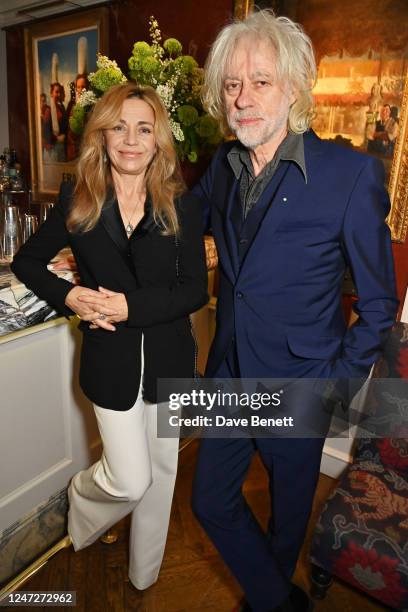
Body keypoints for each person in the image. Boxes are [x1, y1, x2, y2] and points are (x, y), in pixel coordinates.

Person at [191, 10, 398, 612]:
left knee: (287, 522)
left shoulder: (350, 175)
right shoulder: (223, 169)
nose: (243, 98)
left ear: (293, 89)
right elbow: (173, 224)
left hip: (301, 384)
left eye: (260, 81)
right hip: (229, 374)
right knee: (210, 501)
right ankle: (281, 601)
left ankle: (267, 600)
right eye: (232, 84)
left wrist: (333, 384)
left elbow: (380, 304)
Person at [11, 82, 208, 590]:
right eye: (118, 127)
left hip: (169, 359)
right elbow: (28, 261)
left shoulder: (179, 204)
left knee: (162, 472)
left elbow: (194, 292)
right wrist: (70, 297)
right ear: (101, 135)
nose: (130, 140)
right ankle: (83, 496)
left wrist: (130, 305)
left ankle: (144, 576)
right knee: (128, 478)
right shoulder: (80, 199)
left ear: (158, 138)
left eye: (143, 128)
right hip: (110, 362)